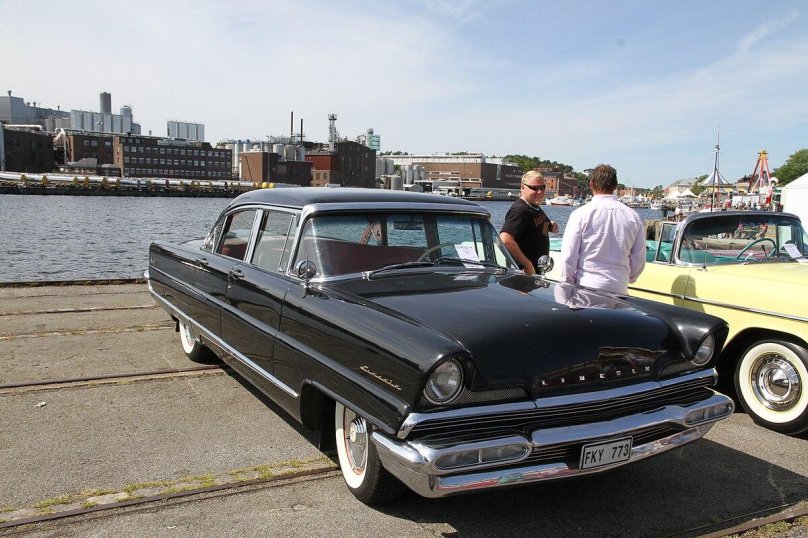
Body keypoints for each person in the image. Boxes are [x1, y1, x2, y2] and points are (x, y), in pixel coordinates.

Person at [559, 164, 645, 294]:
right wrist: (629, 277)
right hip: (619, 287)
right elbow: (639, 257)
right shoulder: (633, 216)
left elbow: (569, 255)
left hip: (586, 287)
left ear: (591, 184)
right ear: (615, 186)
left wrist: (566, 283)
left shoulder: (580, 214)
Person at [500, 171, 558, 275]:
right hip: (522, 276)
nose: (539, 192)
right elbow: (505, 239)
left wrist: (551, 225)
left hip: (535, 274)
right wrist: (527, 265)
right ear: (522, 187)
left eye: (542, 187)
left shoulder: (534, 207)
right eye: (535, 188)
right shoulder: (519, 210)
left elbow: (535, 225)